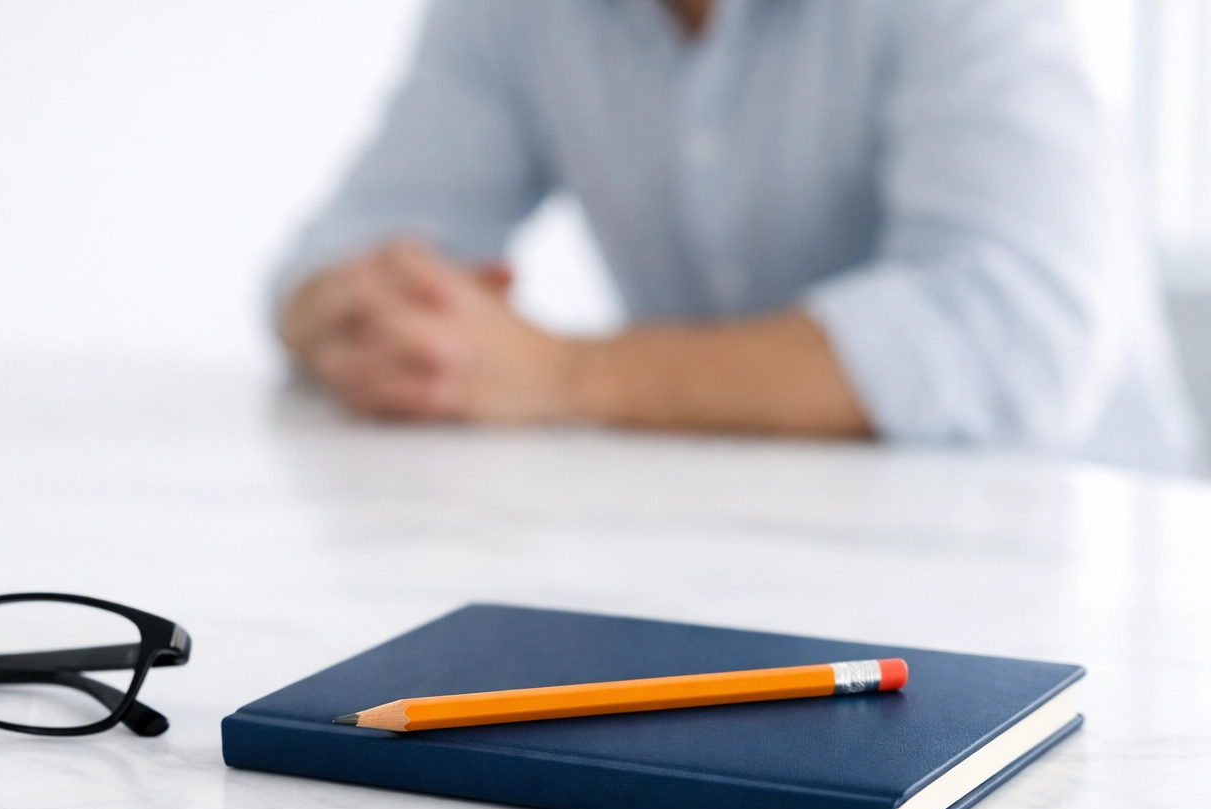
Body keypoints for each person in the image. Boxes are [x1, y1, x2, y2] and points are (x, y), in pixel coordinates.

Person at [272, 0, 1201, 472]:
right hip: (732, 546)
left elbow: (1015, 336)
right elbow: (333, 256)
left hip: (1073, 565)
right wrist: (366, 322)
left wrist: (561, 373)